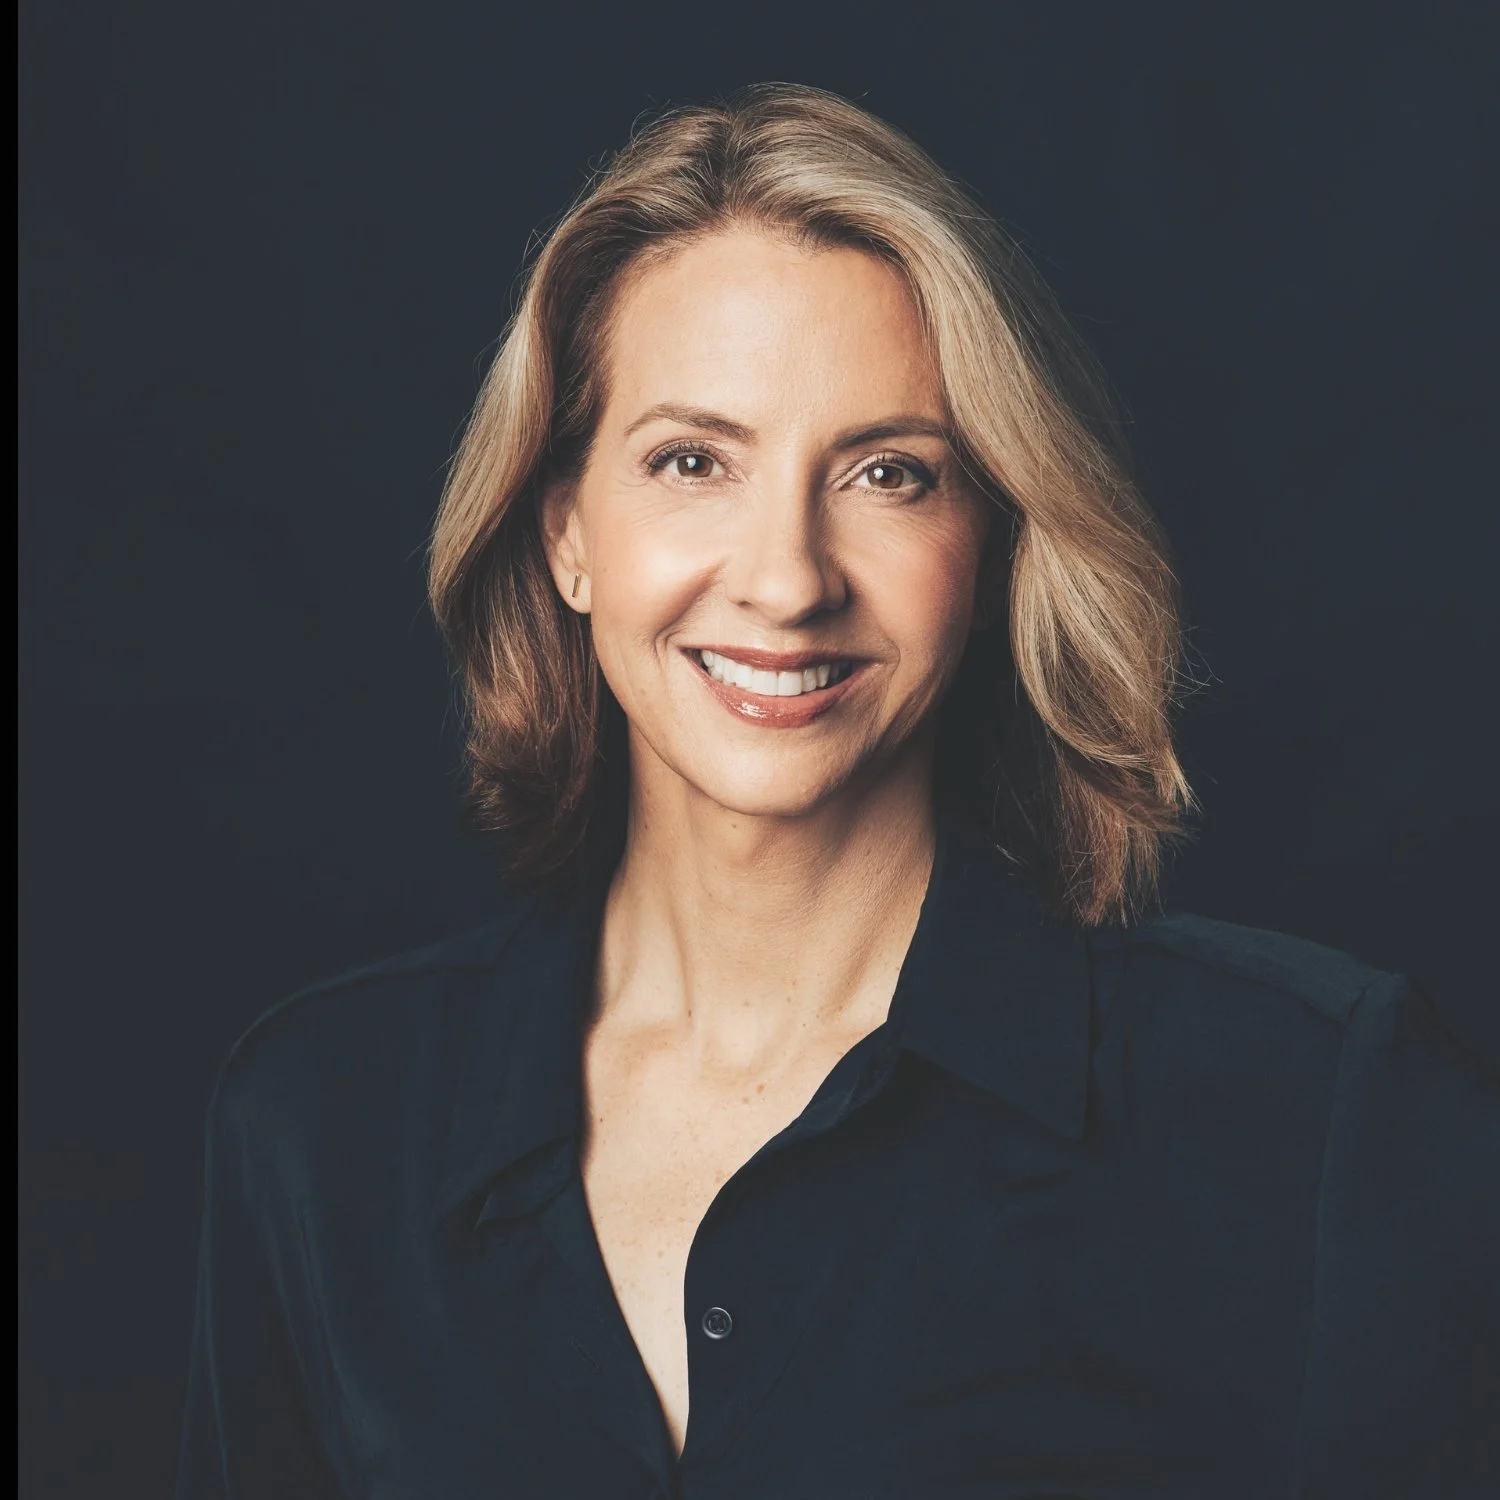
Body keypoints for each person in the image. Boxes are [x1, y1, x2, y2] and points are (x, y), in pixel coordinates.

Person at [176, 84, 1497, 1499]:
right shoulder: (321, 1128)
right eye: (693, 462)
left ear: (988, 539)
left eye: (888, 473)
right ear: (566, 532)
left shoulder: (1311, 1112)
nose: (789, 579)